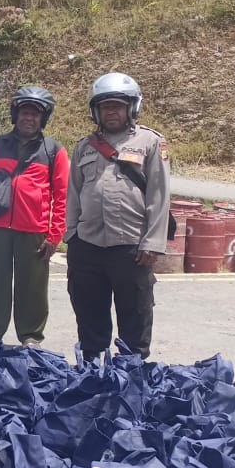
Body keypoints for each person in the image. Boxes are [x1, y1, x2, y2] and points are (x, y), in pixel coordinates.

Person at [64, 72, 170, 360]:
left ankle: (131, 375)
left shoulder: (150, 143)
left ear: (131, 108)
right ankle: (91, 373)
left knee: (134, 316)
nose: (112, 112)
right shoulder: (84, 147)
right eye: (106, 106)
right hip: (87, 245)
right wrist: (71, 236)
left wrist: (152, 243)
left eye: (118, 106)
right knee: (89, 316)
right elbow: (73, 194)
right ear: (95, 111)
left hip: (131, 247)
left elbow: (159, 196)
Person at [0, 85, 69, 347]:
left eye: (35, 114)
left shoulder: (54, 152)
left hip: (34, 232)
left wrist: (54, 235)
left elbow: (62, 197)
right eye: (25, 112)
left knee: (33, 288)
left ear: (43, 119)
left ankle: (31, 336)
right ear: (15, 115)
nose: (29, 118)